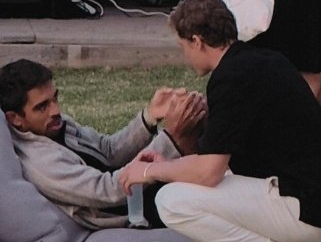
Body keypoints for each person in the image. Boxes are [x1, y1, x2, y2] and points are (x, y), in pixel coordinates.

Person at [123, 0, 321, 242]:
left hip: (314, 210)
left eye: (183, 46)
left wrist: (150, 171)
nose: (185, 56)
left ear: (197, 42)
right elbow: (223, 162)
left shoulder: (231, 77)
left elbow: (208, 173)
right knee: (212, 184)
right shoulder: (258, 61)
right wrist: (168, 164)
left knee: (171, 201)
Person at [2, 59, 205, 232]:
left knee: (202, 120)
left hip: (136, 188)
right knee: (192, 138)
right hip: (129, 211)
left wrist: (150, 116)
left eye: (55, 98)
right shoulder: (41, 162)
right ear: (15, 118)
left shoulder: (54, 125)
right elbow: (108, 191)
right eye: (42, 107)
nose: (55, 110)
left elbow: (109, 151)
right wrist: (171, 139)